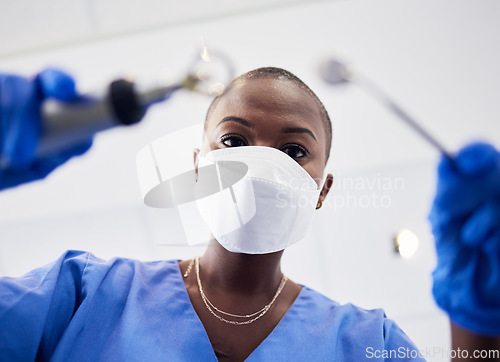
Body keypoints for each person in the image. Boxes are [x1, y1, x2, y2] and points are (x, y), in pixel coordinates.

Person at [0, 67, 498, 361]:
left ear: (322, 189)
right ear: (198, 167)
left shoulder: (369, 342)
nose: (261, 165)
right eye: (235, 141)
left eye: (294, 150)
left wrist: (481, 328)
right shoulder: (87, 295)